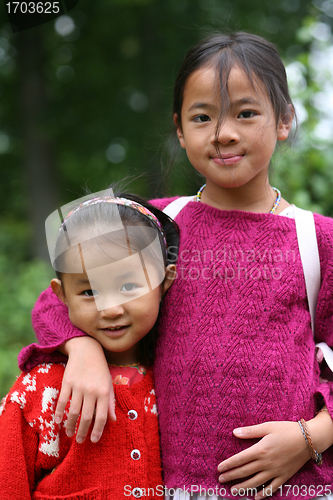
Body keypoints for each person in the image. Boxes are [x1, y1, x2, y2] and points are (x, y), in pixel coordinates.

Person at [17, 32, 333, 500]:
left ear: (284, 119)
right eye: (202, 117)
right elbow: (60, 298)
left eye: (245, 113)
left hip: (295, 484)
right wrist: (80, 348)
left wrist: (312, 438)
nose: (223, 132)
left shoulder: (318, 239)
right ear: (180, 130)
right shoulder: (153, 226)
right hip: (174, 484)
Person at [0, 192, 178, 499]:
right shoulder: (40, 390)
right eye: (89, 291)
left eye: (128, 286)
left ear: (165, 282)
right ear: (62, 295)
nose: (110, 309)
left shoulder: (176, 381)